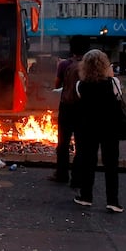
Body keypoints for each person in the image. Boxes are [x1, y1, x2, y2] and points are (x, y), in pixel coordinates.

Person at [72, 49, 124, 213]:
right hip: (110, 127)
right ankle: (113, 201)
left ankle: (86, 197)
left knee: (88, 162)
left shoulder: (80, 85)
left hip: (87, 127)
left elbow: (81, 101)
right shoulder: (114, 83)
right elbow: (118, 99)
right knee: (111, 164)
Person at [49, 35, 88, 185]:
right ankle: (77, 177)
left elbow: (57, 85)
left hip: (67, 107)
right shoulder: (91, 65)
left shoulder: (65, 65)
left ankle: (62, 174)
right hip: (84, 109)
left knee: (63, 143)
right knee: (81, 144)